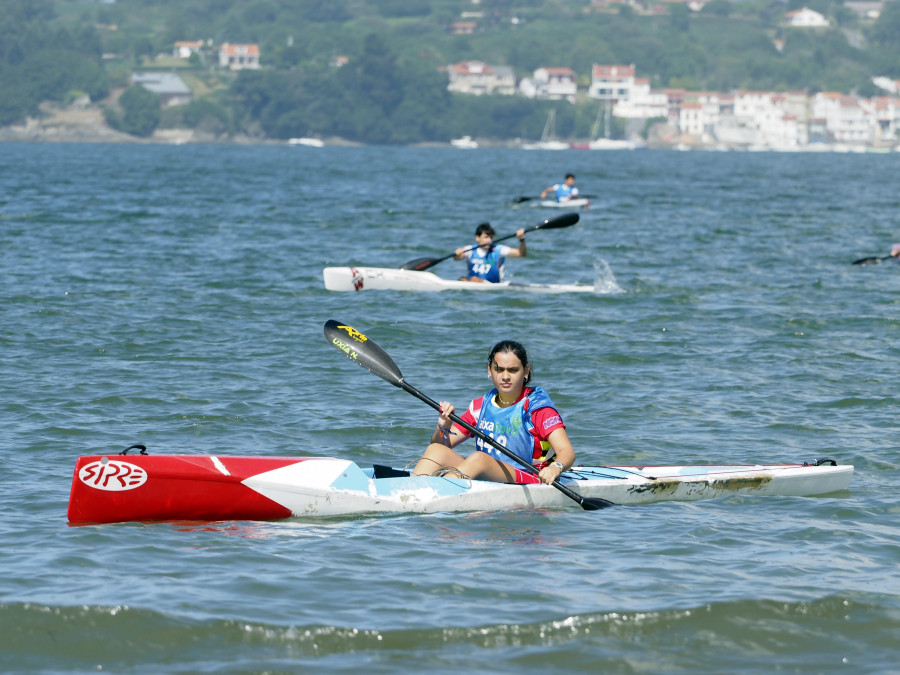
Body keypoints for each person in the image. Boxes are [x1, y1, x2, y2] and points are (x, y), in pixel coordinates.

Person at [412, 340, 576, 485]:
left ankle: (440, 490)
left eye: (513, 370)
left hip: (528, 476)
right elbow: (442, 446)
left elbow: (567, 452)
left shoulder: (537, 408)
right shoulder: (480, 406)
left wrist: (556, 467)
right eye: (499, 369)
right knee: (435, 450)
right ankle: (411, 489)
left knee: (479, 459)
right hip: (488, 472)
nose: (505, 376)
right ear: (490, 370)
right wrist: (444, 426)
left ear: (525, 372)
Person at [454, 222, 526, 283]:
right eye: (486, 237)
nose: (489, 240)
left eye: (491, 237)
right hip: (472, 284)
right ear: (477, 238)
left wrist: (521, 239)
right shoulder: (470, 249)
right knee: (462, 279)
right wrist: (457, 253)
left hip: (492, 285)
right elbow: (457, 258)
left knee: (474, 279)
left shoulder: (499, 250)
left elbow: (520, 253)